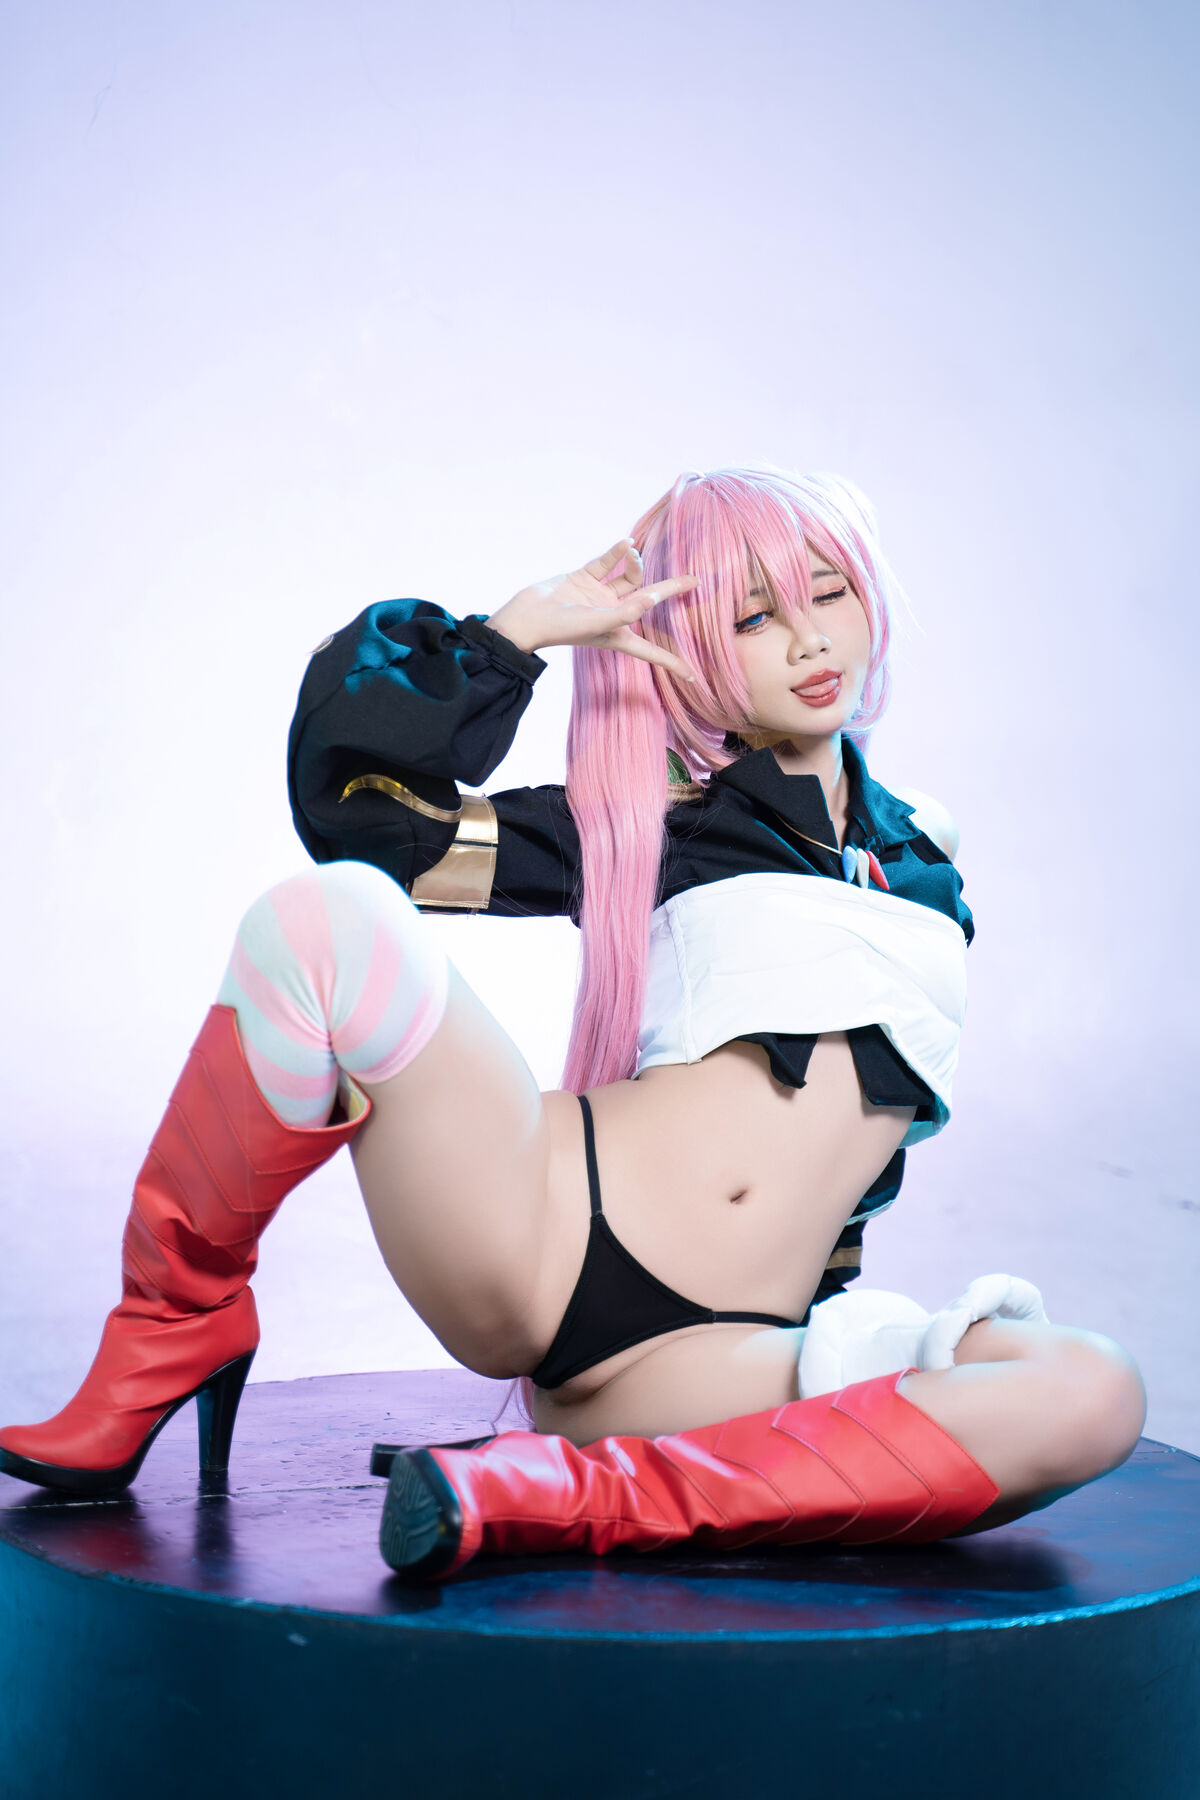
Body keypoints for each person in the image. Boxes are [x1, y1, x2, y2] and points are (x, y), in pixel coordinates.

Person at [0, 468, 1146, 1584]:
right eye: (754, 616)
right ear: (690, 650)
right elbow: (360, 819)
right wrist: (515, 637)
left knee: (1091, 1392)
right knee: (327, 918)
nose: (809, 640)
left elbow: (855, 1164)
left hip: (717, 1356)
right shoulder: (642, 827)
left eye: (828, 593)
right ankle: (174, 1325)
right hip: (538, 1231)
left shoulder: (926, 865)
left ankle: (558, 1498)